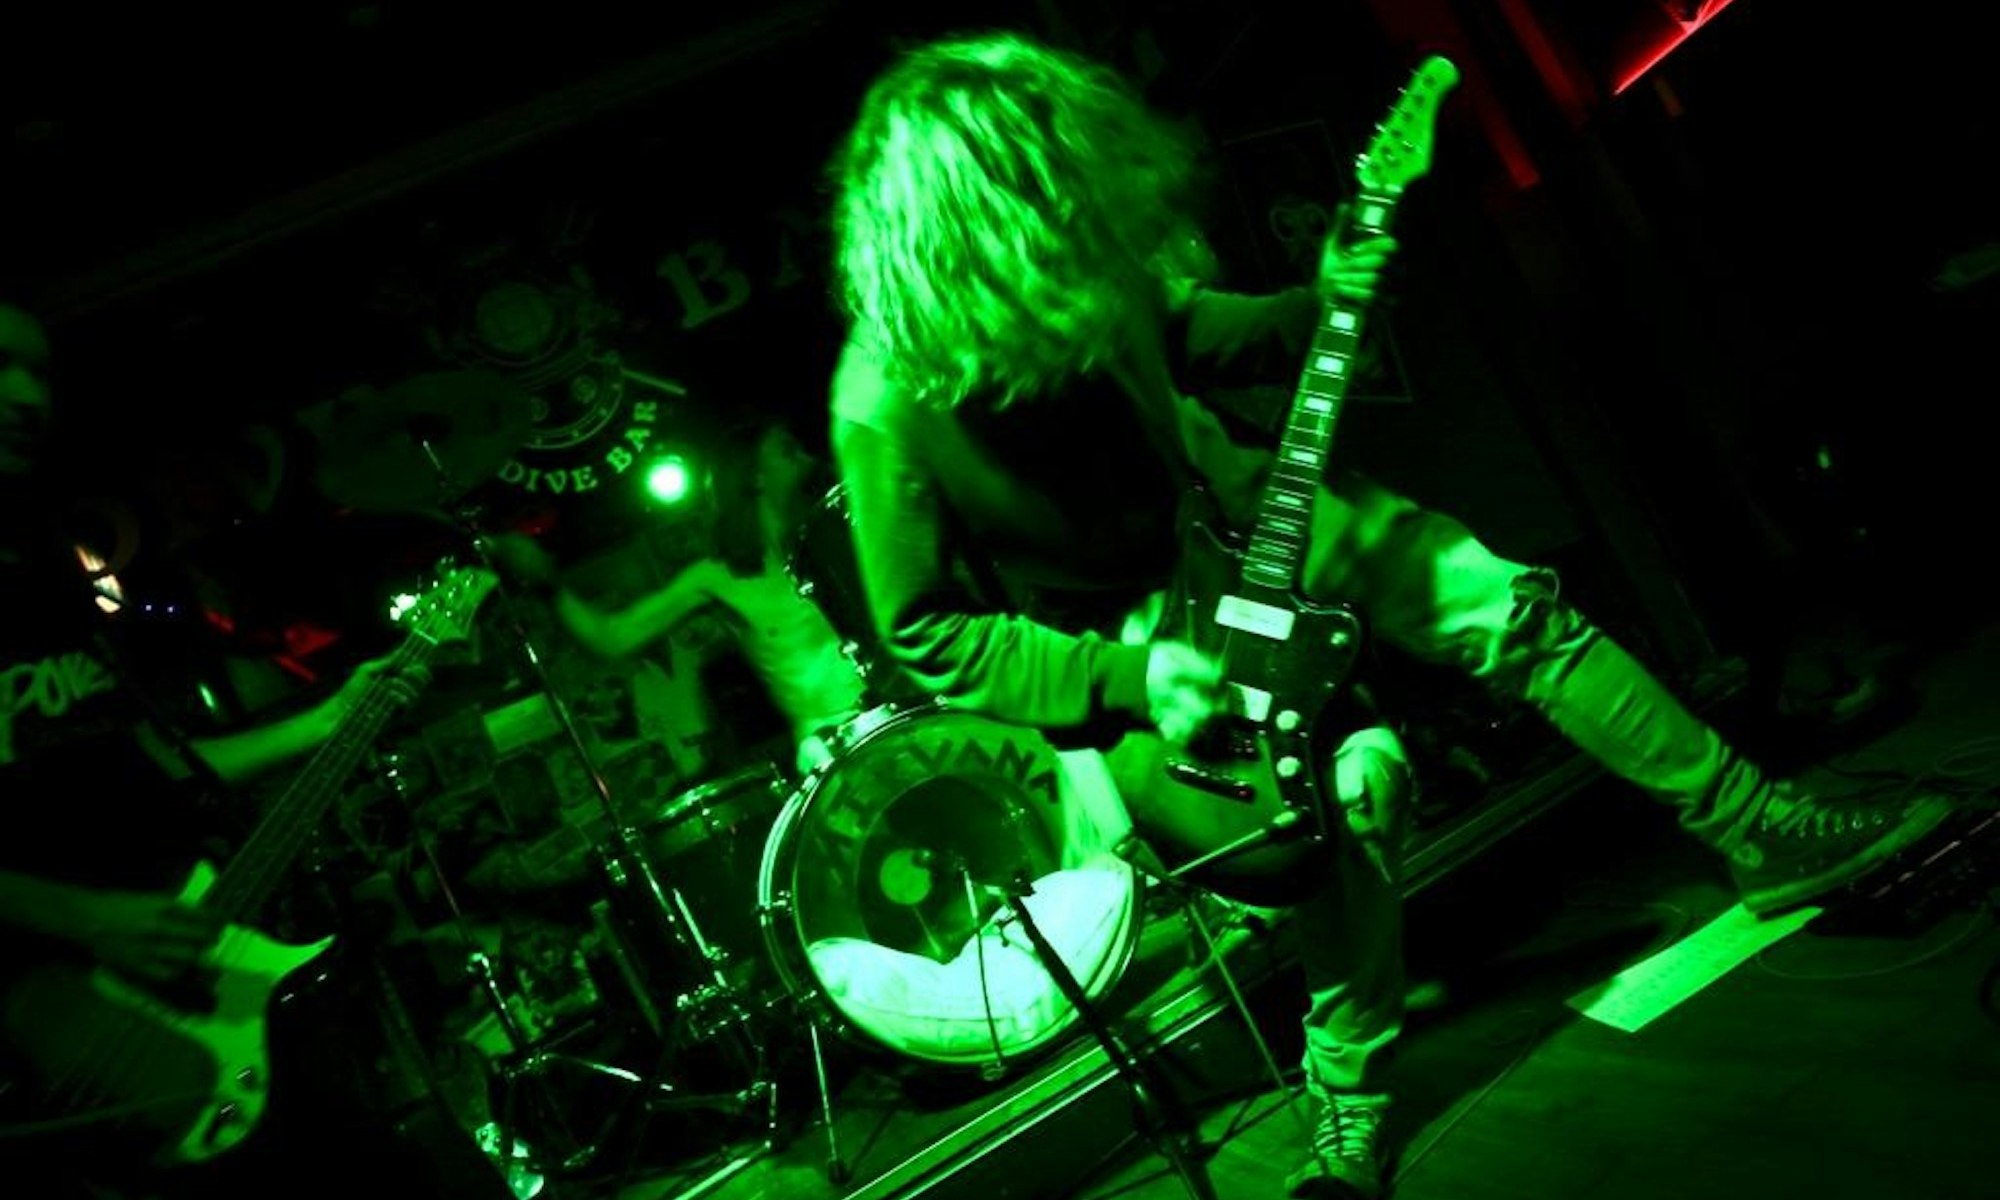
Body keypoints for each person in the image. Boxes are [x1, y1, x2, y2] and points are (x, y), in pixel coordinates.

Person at [818, 32, 1956, 1199]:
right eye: (1039, 204)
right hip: (1131, 638)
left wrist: (1315, 301)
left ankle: (1755, 825)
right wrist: (1125, 681)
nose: (1070, 224)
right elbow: (925, 631)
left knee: (1505, 606)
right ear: (967, 228)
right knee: (1345, 804)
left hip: (1245, 505)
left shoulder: (1069, 252)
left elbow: (1184, 329)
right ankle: (1346, 1098)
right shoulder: (880, 398)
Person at [0, 302, 435, 1198]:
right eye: (1, 364)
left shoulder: (44, 568)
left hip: (191, 974)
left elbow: (151, 771)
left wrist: (333, 717)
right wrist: (80, 918)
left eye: (39, 372)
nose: (26, 396)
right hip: (61, 1021)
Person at [488, 419, 871, 775]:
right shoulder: (718, 578)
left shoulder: (838, 533)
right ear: (754, 475)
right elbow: (611, 637)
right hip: (831, 748)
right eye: (788, 450)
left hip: (894, 707)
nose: (805, 457)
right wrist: (548, 583)